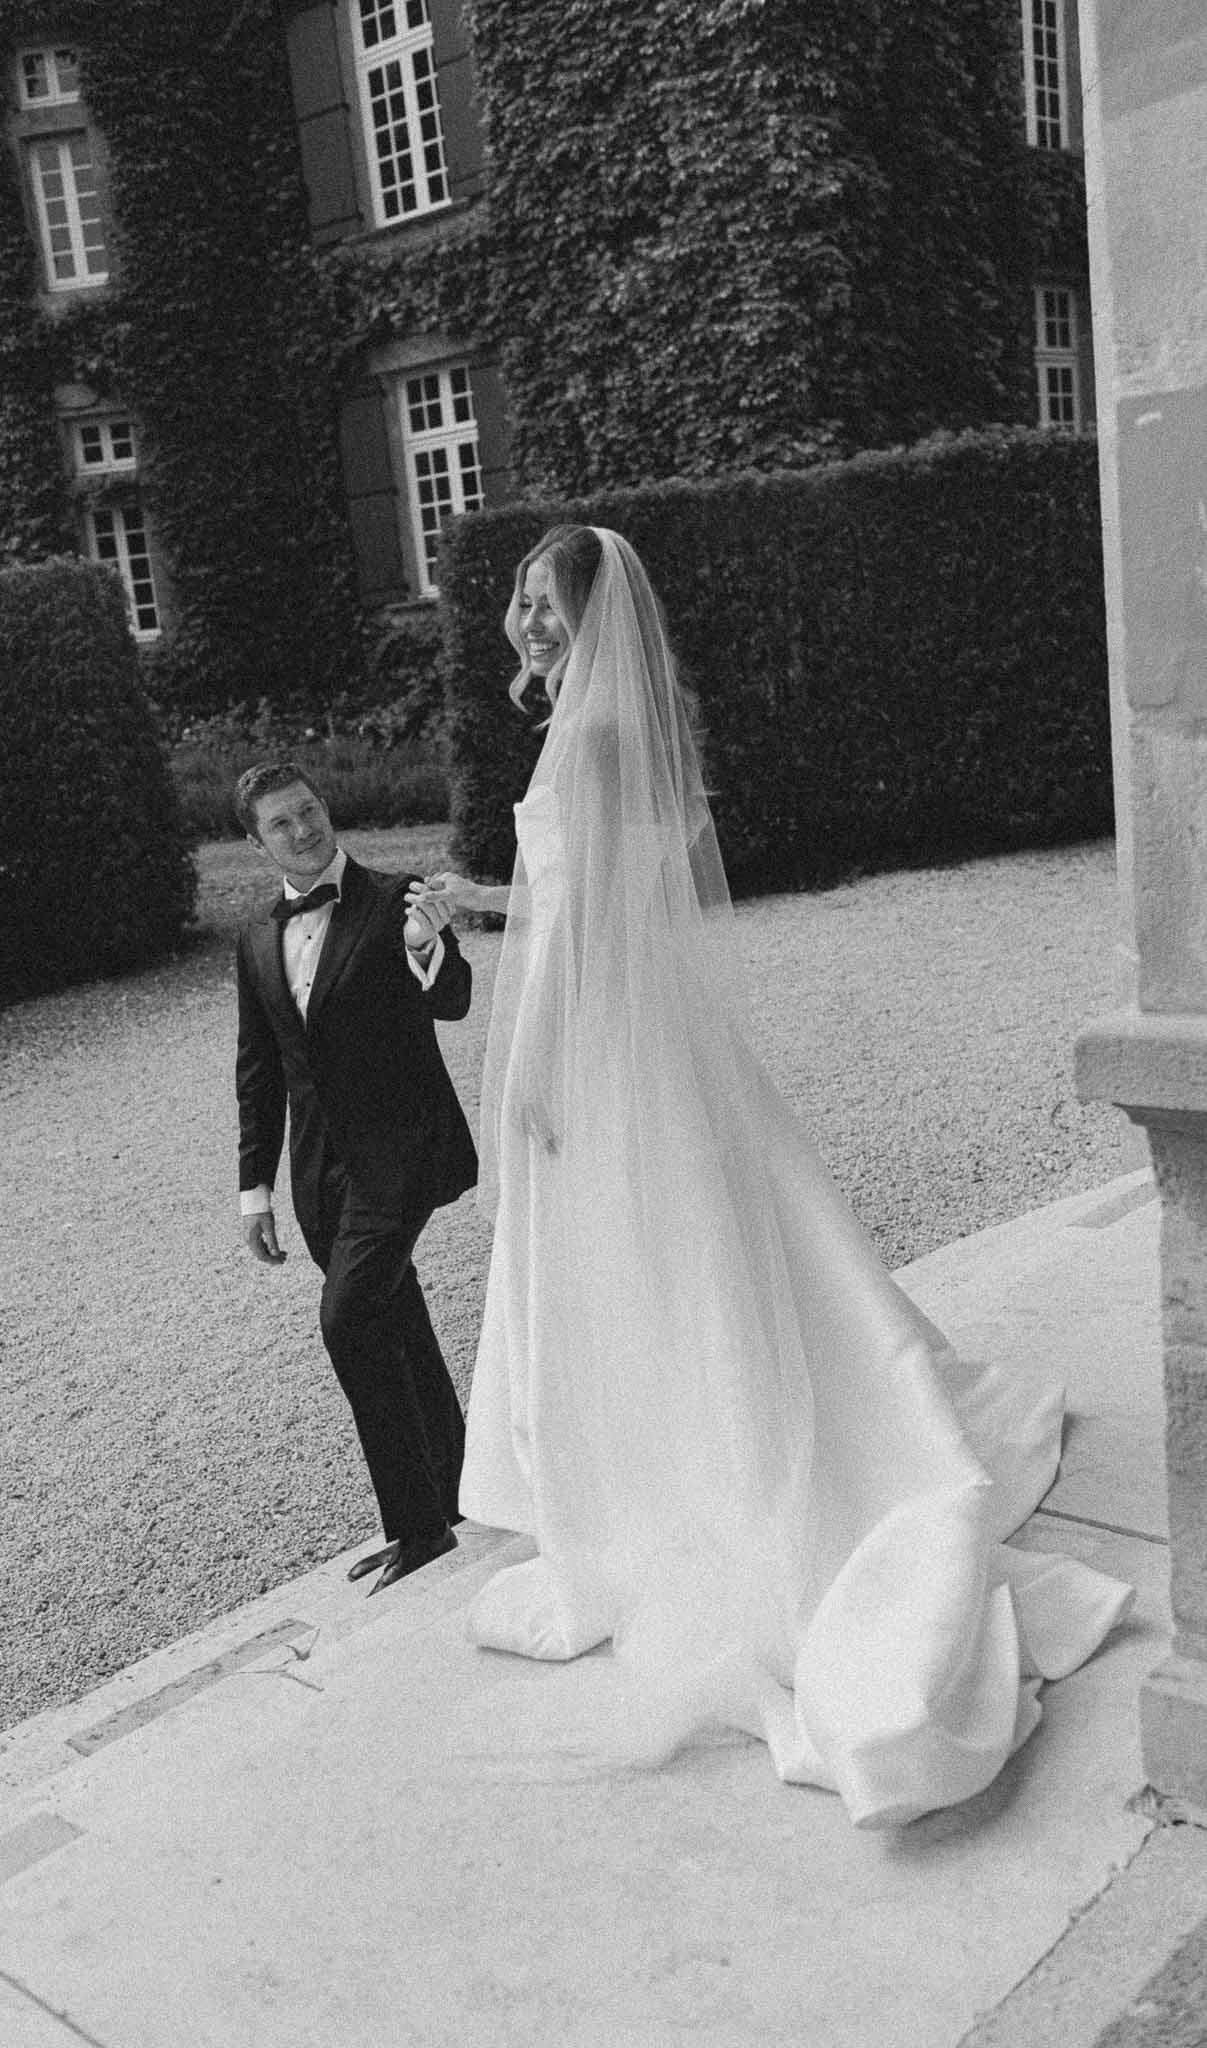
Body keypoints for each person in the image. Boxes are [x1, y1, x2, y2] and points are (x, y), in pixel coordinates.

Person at [408, 526, 1134, 1827]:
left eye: (542, 604)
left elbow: (582, 937)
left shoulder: (585, 739)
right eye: (516, 603)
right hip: (650, 1044)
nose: (522, 623)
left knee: (642, 1276)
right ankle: (704, 1456)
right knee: (702, 1260)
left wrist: (530, 1080)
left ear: (588, 617)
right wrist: (470, 902)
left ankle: (676, 1498)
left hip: (596, 1049)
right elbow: (592, 901)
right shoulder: (610, 729)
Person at [234, 761, 476, 1594]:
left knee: (347, 1322)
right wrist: (253, 1189)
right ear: (259, 842)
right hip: (320, 1179)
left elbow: (452, 1000)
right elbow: (260, 1069)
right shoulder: (257, 938)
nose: (302, 831)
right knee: (395, 1316)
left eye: (308, 812)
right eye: (281, 824)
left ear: (326, 808)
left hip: (402, 1154)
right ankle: (458, 1491)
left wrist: (424, 945)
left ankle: (416, 1530)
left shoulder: (395, 897)